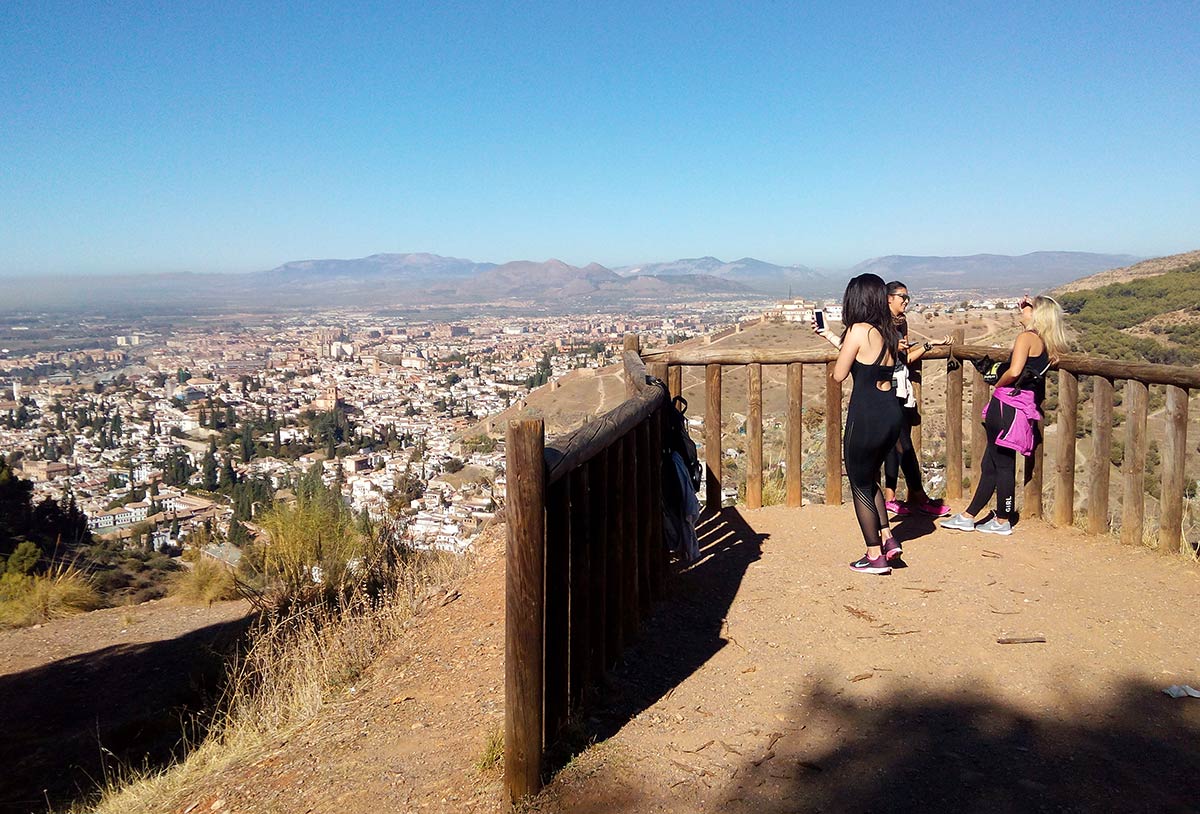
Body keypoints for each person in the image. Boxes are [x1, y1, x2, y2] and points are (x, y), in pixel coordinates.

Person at [940, 294, 1069, 535]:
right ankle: (969, 516)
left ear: (1037, 314)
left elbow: (1015, 370)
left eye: (1027, 308)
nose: (1022, 310)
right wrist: (1031, 303)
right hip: (1021, 406)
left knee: (1002, 464)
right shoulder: (1046, 342)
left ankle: (1002, 519)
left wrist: (998, 384)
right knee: (991, 462)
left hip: (1006, 404)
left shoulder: (1026, 338)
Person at [816, 274, 904, 574]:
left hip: (866, 416)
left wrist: (837, 353)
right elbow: (866, 357)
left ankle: (874, 554)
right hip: (891, 413)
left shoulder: (857, 330)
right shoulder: (887, 331)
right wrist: (831, 337)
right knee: (870, 478)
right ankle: (889, 539)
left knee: (859, 483)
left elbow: (839, 374)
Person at [882, 280, 952, 517]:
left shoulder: (901, 322)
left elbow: (907, 358)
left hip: (899, 385)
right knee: (904, 444)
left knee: (895, 443)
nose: (906, 301)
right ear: (888, 297)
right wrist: (892, 345)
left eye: (907, 297)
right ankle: (920, 497)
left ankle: (890, 497)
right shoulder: (878, 324)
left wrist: (930, 345)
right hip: (886, 386)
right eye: (902, 297)